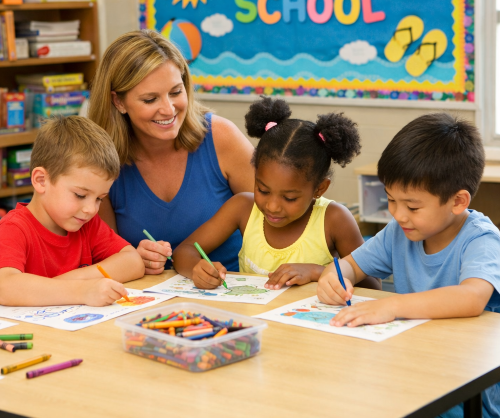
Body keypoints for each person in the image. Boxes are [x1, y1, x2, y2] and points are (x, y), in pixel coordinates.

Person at [317, 113, 500, 418]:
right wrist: (334, 278)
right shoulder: (399, 232)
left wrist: (392, 306)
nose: (398, 215)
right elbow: (349, 266)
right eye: (390, 200)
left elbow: (471, 297)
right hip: (413, 369)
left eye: (412, 206)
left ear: (458, 202)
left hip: (467, 389)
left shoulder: (481, 240)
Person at [88, 30, 254, 274]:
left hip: (233, 289)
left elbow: (277, 221)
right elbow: (100, 253)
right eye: (150, 99)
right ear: (119, 102)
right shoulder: (100, 160)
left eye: (176, 92)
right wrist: (132, 258)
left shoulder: (221, 137)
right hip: (148, 299)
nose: (168, 109)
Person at [174, 96, 381, 291]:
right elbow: (184, 251)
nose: (272, 206)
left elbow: (373, 286)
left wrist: (319, 272)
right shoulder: (241, 208)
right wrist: (197, 268)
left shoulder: (335, 219)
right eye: (263, 190)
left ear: (320, 188)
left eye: (289, 198)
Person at [0, 116, 147, 307]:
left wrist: (73, 279)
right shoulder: (13, 229)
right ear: (41, 180)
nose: (91, 209)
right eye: (80, 195)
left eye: (99, 198)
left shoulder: (86, 224)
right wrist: (82, 291)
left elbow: (133, 261)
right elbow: (4, 287)